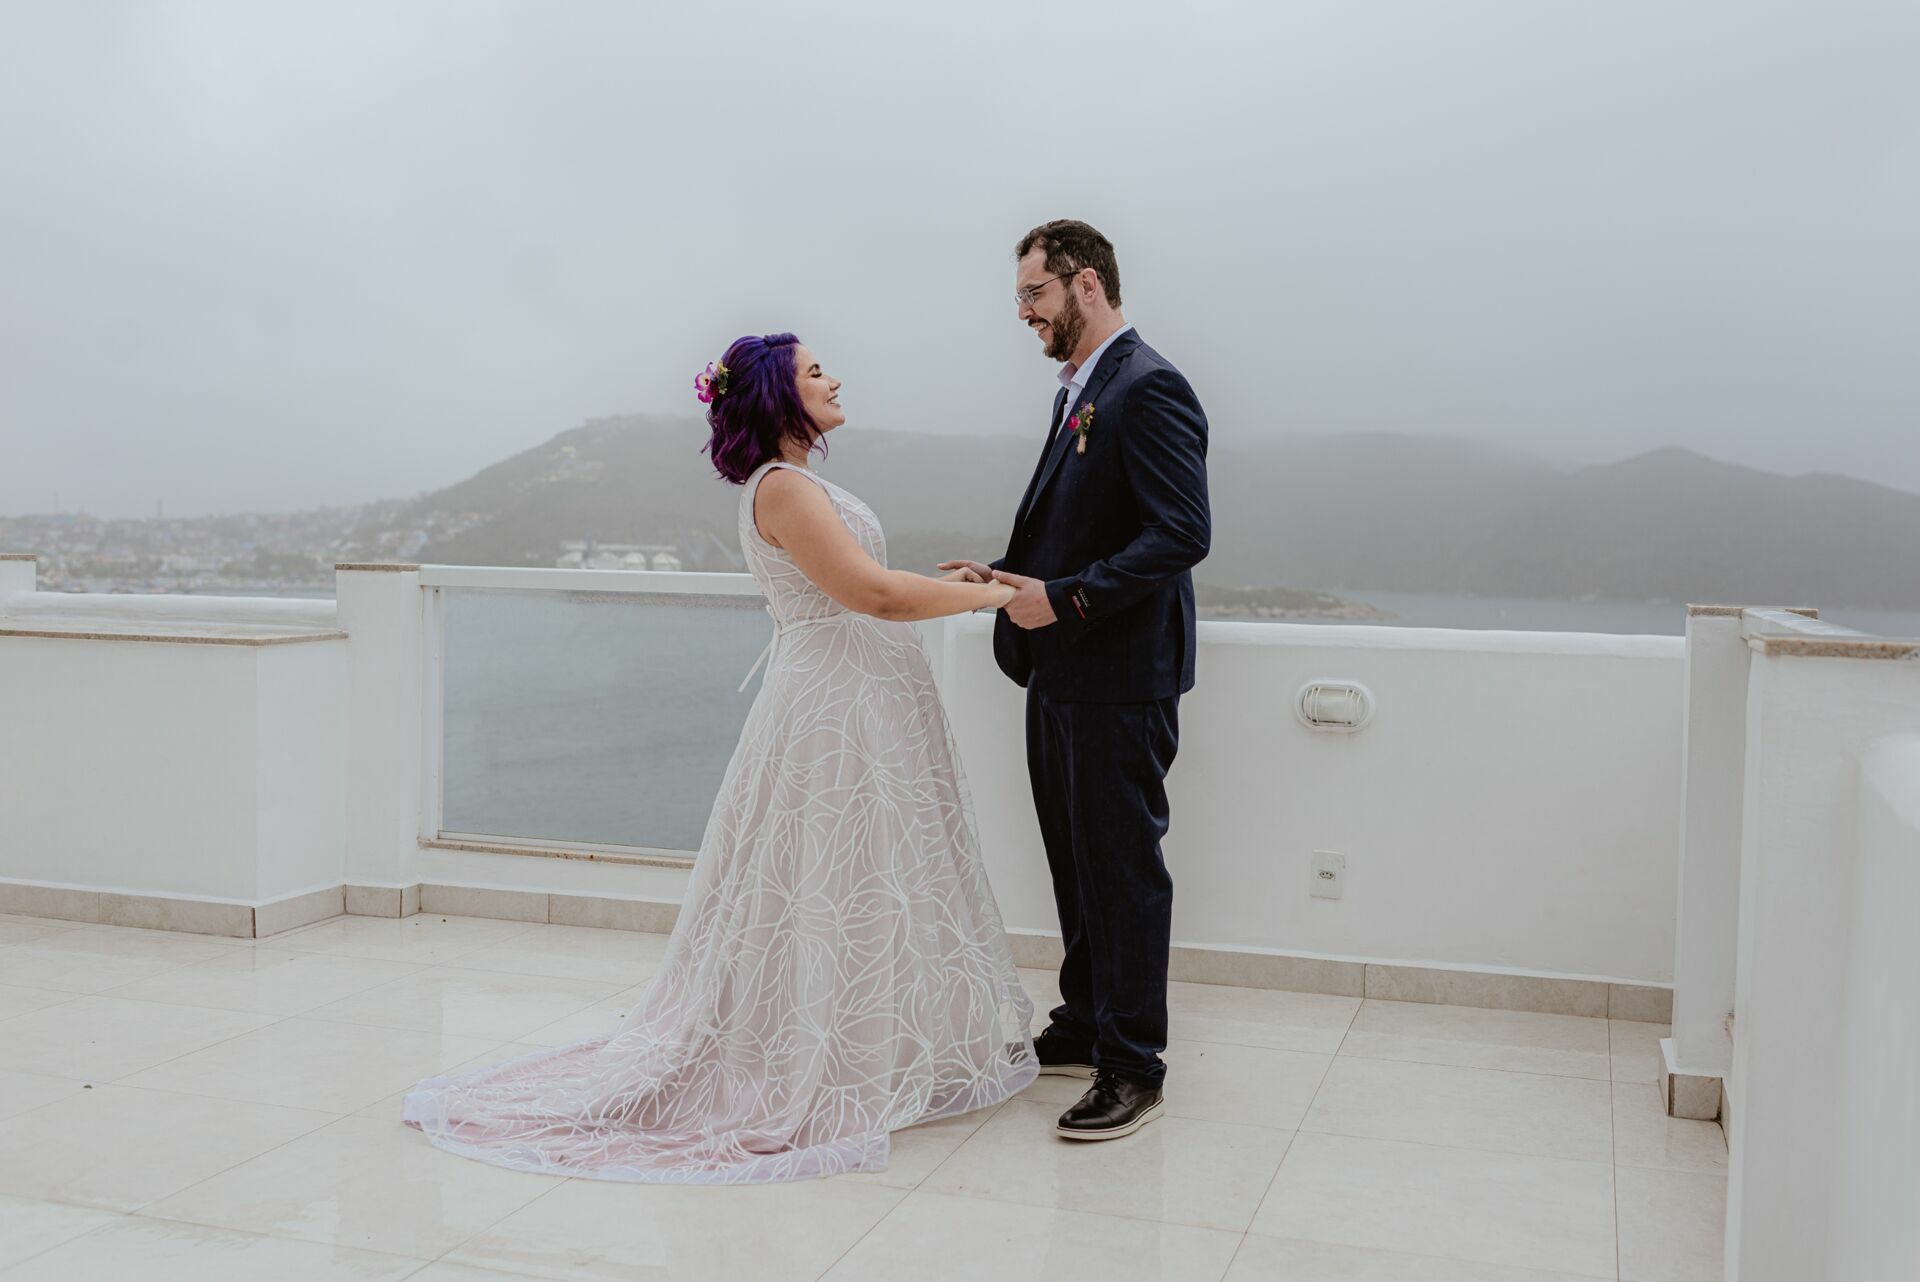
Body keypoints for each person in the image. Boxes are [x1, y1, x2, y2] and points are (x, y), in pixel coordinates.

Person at [403, 332, 1038, 1183]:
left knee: (866, 878)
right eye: (817, 371)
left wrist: (976, 579)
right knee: (820, 880)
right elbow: (875, 595)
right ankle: (804, 1061)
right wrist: (999, 594)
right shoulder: (780, 488)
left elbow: (871, 588)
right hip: (833, 708)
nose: (836, 377)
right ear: (779, 393)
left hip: (867, 696)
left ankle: (874, 1048)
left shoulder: (800, 483)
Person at [942, 219, 1211, 1140]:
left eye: (1034, 295)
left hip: (1120, 673)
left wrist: (1068, 600)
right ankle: (1087, 1017)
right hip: (1061, 669)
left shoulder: (1149, 385)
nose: (1024, 314)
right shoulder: (1079, 392)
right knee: (1074, 857)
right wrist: (1011, 578)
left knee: (1123, 868)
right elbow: (1080, 525)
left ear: (1085, 284)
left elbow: (1181, 532)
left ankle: (1134, 1062)